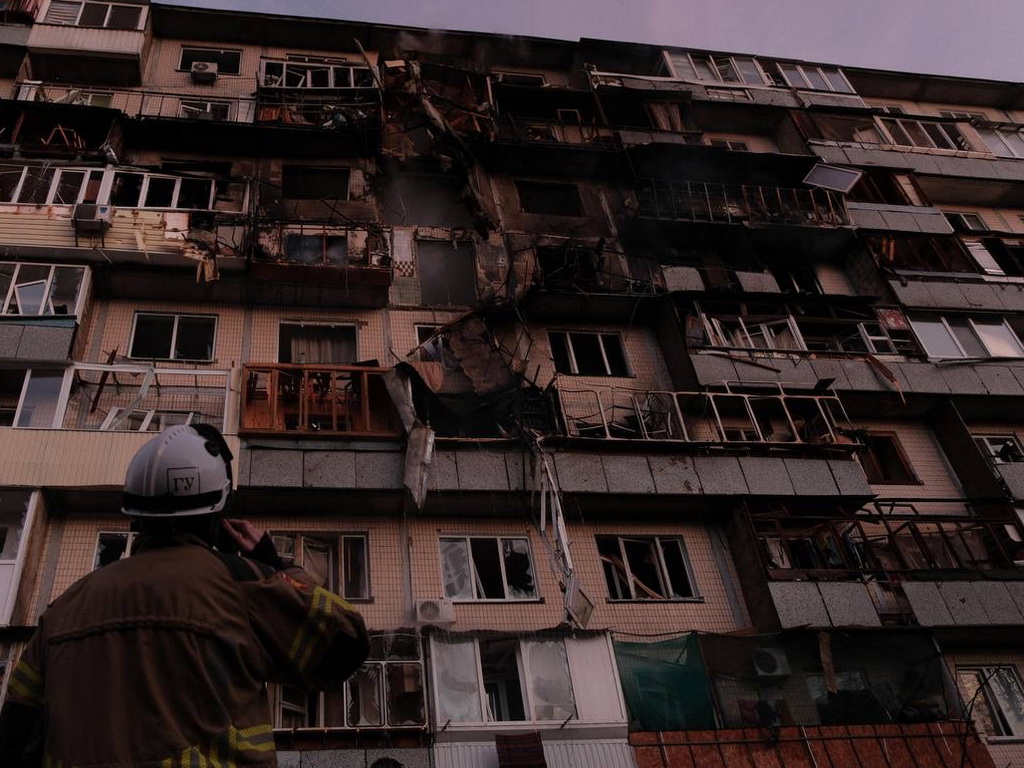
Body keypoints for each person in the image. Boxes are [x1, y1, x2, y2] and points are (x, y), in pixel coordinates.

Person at [0, 424, 369, 768]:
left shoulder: (64, 608)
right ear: (216, 515)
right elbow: (344, 644)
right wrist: (274, 564)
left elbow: (16, 735)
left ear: (135, 515)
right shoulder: (240, 585)